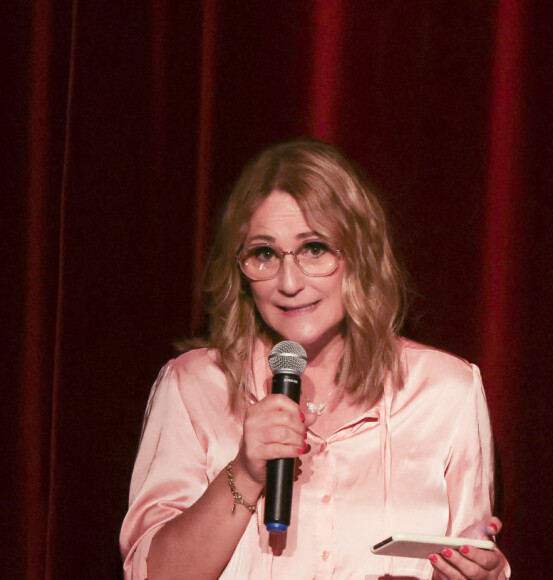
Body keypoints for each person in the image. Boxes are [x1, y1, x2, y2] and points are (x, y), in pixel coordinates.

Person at [120, 138, 510, 579]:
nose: (289, 282)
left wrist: (480, 573)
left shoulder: (446, 390)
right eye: (264, 253)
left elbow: (469, 554)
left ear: (359, 254)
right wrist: (246, 473)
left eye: (315, 249)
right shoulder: (193, 385)